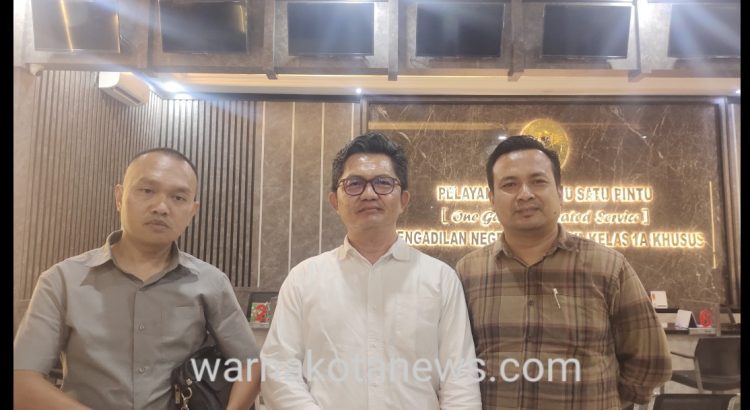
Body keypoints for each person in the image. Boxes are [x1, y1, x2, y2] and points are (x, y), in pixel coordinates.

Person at [14, 148, 261, 410]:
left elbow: (251, 365)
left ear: (192, 211)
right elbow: (22, 380)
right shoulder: (62, 280)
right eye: (147, 191)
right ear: (119, 197)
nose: (161, 207)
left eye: (178, 197)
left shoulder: (211, 283)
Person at [260, 132, 481, 409]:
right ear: (335, 201)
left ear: (404, 200)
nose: (369, 194)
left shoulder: (440, 279)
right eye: (354, 183)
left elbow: (460, 379)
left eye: (383, 183)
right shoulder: (303, 279)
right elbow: (278, 370)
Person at [456, 135, 672, 410]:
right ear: (491, 199)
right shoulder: (468, 272)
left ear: (560, 192)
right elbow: (456, 361)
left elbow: (650, 360)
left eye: (538, 181)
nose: (525, 194)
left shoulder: (608, 267)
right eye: (509, 185)